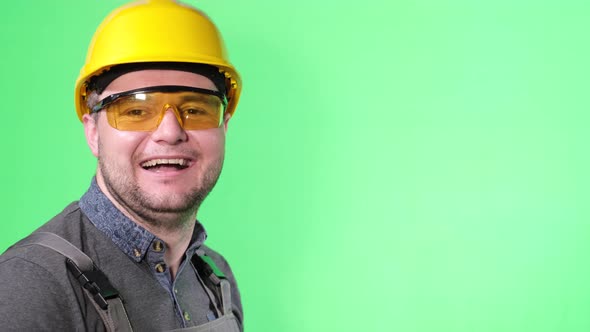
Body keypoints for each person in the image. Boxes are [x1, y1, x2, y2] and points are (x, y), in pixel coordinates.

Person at [0, 0, 243, 331]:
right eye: (135, 110)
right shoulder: (32, 284)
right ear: (92, 132)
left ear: (223, 128)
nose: (170, 132)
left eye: (196, 109)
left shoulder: (215, 277)